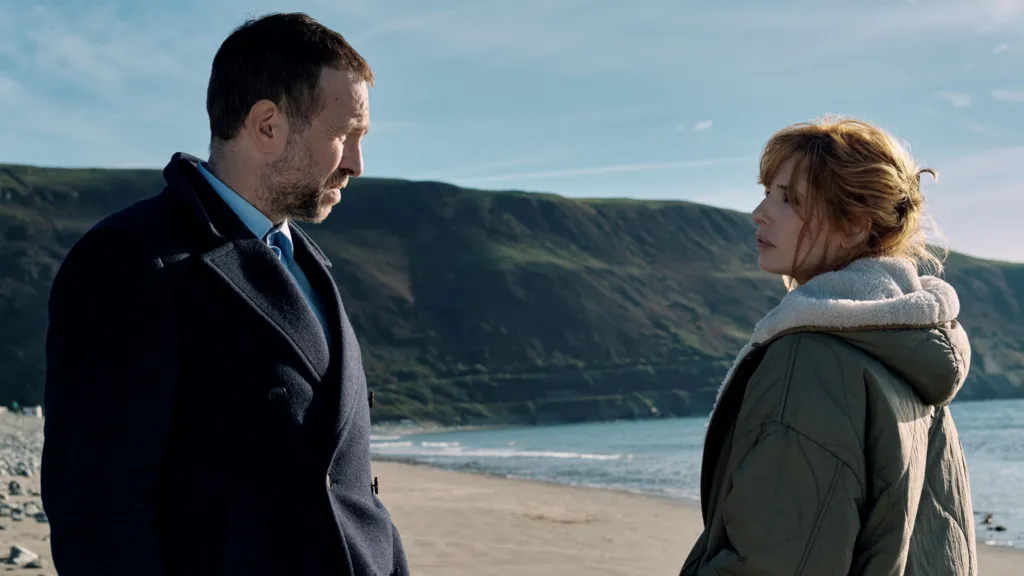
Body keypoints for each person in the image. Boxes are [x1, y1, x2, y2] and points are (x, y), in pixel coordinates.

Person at [41, 12, 408, 576]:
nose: (358, 164)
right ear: (267, 125)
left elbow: (351, 486)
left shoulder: (308, 265)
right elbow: (97, 512)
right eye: (344, 135)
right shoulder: (133, 260)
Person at [680, 116, 976, 576]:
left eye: (788, 200)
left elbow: (773, 561)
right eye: (766, 192)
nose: (759, 213)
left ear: (856, 224)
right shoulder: (906, 348)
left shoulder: (810, 361)